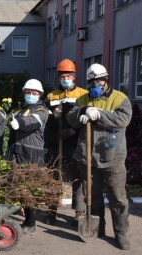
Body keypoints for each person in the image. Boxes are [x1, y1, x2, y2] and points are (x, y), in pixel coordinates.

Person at [66, 63, 131, 250]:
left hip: (113, 157)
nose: (96, 84)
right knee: (92, 198)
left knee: (118, 199)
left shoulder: (120, 99)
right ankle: (98, 228)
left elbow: (122, 120)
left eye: (100, 81)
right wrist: (82, 111)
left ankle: (121, 233)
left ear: (106, 80)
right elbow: (70, 118)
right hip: (88, 157)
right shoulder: (83, 99)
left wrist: (99, 115)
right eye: (93, 81)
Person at [44, 59, 88, 225]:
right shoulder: (52, 95)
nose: (65, 78)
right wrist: (54, 135)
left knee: (77, 177)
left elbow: (84, 120)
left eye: (68, 75)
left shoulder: (82, 95)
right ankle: (51, 210)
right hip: (56, 143)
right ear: (59, 77)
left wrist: (71, 131)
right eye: (62, 76)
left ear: (74, 76)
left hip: (74, 143)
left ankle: (78, 211)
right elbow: (48, 121)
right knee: (54, 177)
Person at [6, 79, 49, 235]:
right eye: (29, 92)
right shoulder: (18, 110)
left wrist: (20, 123)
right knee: (15, 185)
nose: (31, 95)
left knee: (29, 189)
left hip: (31, 153)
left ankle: (31, 223)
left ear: (39, 95)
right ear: (24, 93)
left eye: (34, 93)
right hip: (16, 151)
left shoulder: (41, 111)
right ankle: (19, 215)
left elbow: (34, 121)